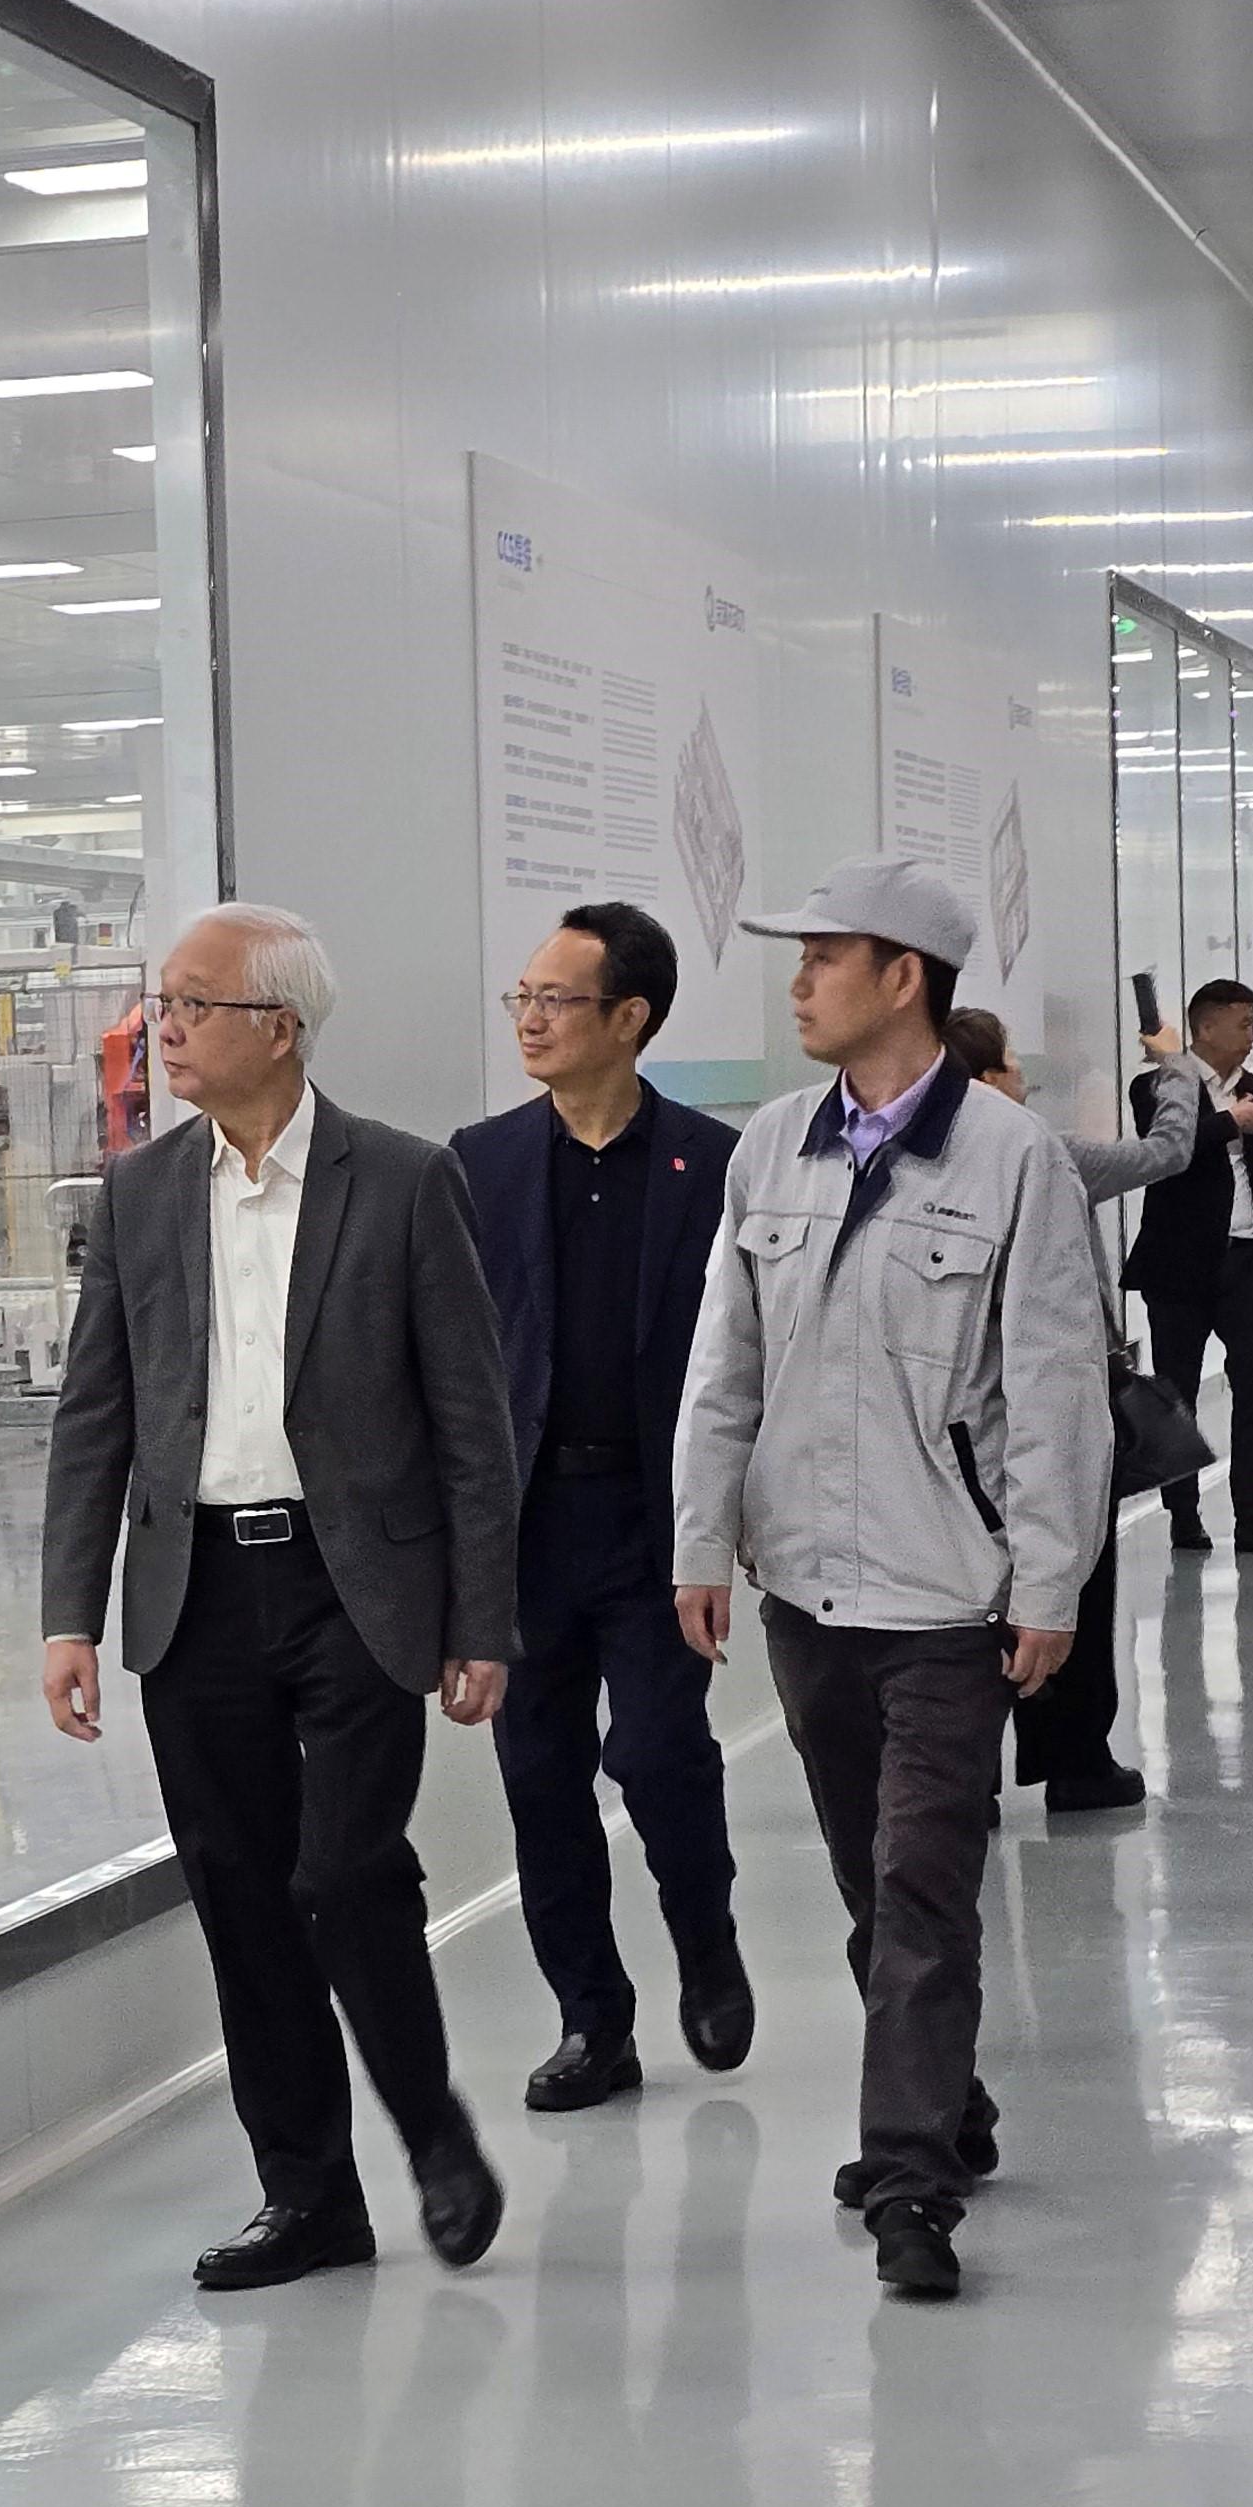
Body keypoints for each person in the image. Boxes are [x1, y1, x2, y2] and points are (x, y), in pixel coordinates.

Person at [41, 903, 520, 2291]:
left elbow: (472, 1423)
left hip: (352, 1584)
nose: (166, 1029)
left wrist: (480, 1622)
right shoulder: (139, 1193)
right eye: (164, 1004)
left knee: (346, 1871)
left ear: (280, 1029)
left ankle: (431, 2128)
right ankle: (308, 2198)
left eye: (194, 1005)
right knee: (242, 1895)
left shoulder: (404, 1182)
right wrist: (71, 1614)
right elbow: (94, 1415)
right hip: (193, 1591)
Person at [672, 857, 1110, 2302]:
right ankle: (948, 2095)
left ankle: (909, 2177)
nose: (799, 984)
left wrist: (1048, 1583)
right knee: (873, 1884)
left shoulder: (1012, 1159)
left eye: (823, 958)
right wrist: (701, 1538)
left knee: (925, 1883)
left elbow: (1054, 1388)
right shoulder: (771, 1148)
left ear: (903, 977)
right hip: (805, 1592)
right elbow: (725, 1365)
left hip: (946, 1595)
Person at [449, 901, 751, 2114]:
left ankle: (707, 1942)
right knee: (540, 1780)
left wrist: (726, 1525)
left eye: (555, 999)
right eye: (520, 997)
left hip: (652, 1514)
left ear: (630, 1018)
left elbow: (746, 1358)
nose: (528, 1019)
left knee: (659, 1753)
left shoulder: (714, 1166)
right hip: (526, 1529)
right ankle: (592, 2018)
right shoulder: (479, 1163)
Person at [948, 1002, 1196, 1813]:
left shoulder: (917, 1163)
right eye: (1012, 1060)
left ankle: (967, 1775)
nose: (1025, 1074)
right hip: (1058, 1401)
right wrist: (1174, 1067)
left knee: (967, 1593)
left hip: (956, 1420)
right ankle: (1075, 1759)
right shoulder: (1047, 1153)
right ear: (989, 1078)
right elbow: (1167, 1150)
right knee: (1075, 1573)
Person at [1123, 978, 1253, 1557]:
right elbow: (1167, 1149)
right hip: (1180, 1265)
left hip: (1250, 1260)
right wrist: (1230, 1123)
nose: (1252, 1036)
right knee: (1178, 1394)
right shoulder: (1156, 1085)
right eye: (1243, 1024)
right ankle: (1183, 1516)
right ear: (1208, 1027)